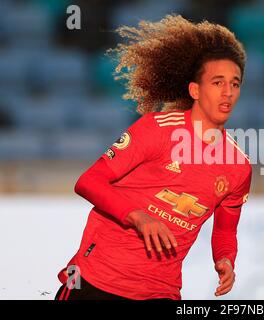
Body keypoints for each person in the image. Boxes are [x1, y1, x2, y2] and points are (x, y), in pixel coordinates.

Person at [54, 14, 252, 300]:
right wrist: (138, 218)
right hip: (97, 280)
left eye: (235, 84)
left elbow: (224, 230)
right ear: (195, 90)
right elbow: (88, 182)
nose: (228, 92)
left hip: (160, 291)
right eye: (217, 82)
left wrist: (225, 260)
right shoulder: (156, 129)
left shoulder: (239, 167)